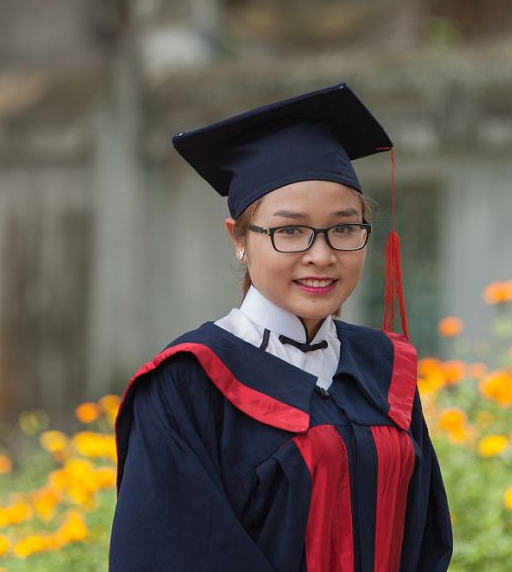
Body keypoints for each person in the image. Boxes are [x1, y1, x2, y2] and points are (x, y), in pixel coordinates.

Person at [109, 83, 453, 572]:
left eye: (344, 227)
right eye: (290, 230)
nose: (321, 255)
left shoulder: (384, 370)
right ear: (238, 238)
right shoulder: (189, 382)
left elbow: (425, 541)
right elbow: (174, 552)